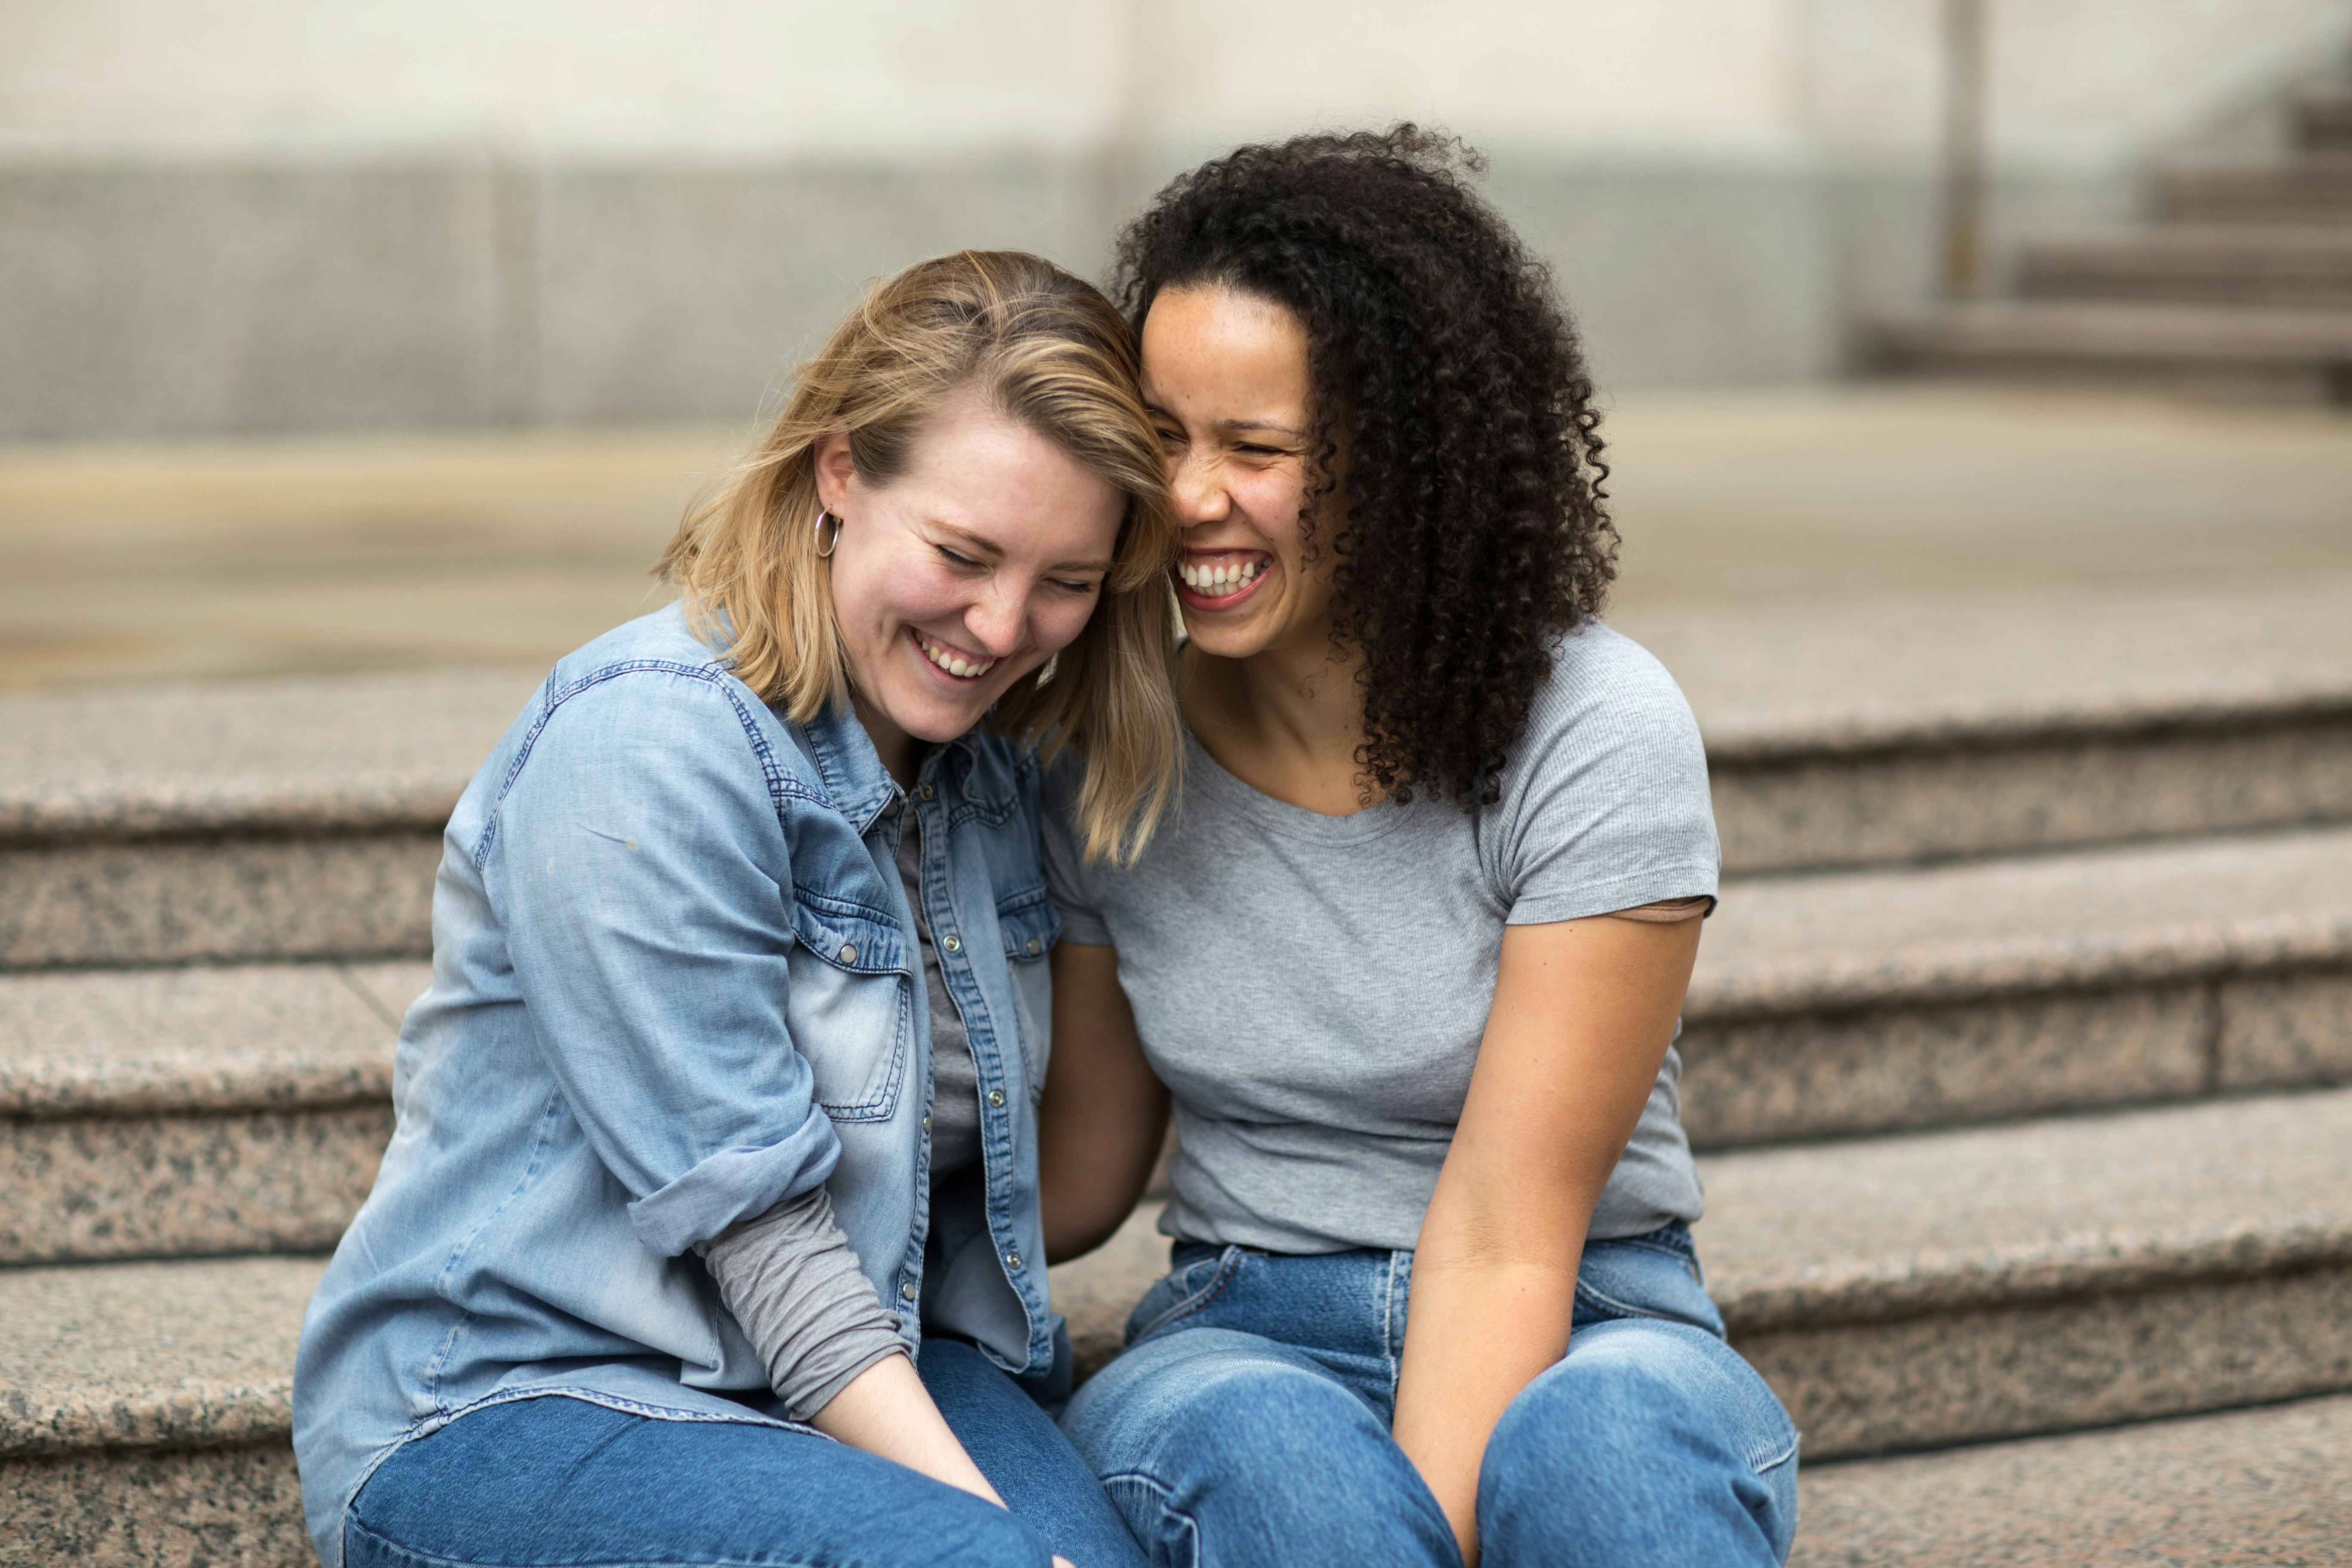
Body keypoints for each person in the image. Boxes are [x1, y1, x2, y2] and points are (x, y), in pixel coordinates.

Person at [293, 250, 1180, 1568]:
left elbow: (1049, 1189)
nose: (1001, 627)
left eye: (1066, 580)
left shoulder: (990, 778)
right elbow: (759, 1238)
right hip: (519, 1397)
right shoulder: (649, 745)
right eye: (963, 552)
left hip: (857, 1368)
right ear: (840, 474)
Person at [1035, 130, 1800, 1568]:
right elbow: (1080, 1174)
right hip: (1241, 1337)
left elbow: (1513, 1233)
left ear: (1406, 466)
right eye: (1162, 437)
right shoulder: (1105, 739)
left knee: (1607, 1450)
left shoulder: (1594, 730)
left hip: (1590, 1311)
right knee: (1275, 1462)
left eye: (1256, 449)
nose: (1188, 496)